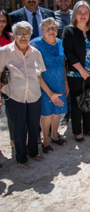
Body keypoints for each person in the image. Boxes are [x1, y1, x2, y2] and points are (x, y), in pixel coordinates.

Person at [0, 21, 47, 169]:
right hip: (14, 97)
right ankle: (21, 158)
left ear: (30, 35)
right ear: (14, 35)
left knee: (34, 126)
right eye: (19, 33)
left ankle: (33, 152)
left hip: (34, 95)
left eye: (26, 33)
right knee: (19, 128)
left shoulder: (36, 53)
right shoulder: (4, 52)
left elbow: (40, 75)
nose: (23, 36)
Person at [63, 1, 90, 142]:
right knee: (77, 102)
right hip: (76, 74)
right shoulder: (69, 30)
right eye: (80, 12)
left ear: (89, 15)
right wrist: (82, 71)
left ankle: (89, 127)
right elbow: (69, 53)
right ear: (75, 14)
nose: (83, 15)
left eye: (86, 12)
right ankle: (77, 131)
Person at [30, 18, 68, 153]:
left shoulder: (60, 42)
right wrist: (49, 92)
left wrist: (65, 82)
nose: (51, 31)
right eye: (48, 28)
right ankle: (45, 141)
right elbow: (34, 71)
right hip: (43, 84)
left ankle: (54, 135)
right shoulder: (35, 44)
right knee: (46, 113)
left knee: (57, 110)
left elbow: (63, 63)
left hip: (58, 82)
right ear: (42, 30)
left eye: (53, 28)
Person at [55, 0, 73, 125]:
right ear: (57, 2)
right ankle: (67, 113)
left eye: (65, 0)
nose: (63, 3)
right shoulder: (53, 17)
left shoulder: (75, 15)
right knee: (64, 85)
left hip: (76, 57)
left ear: (70, 1)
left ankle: (77, 110)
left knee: (76, 84)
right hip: (60, 58)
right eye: (60, 1)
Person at [0, 10, 14, 151]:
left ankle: (13, 141)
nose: (1, 23)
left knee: (11, 113)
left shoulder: (10, 37)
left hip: (9, 80)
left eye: (3, 20)